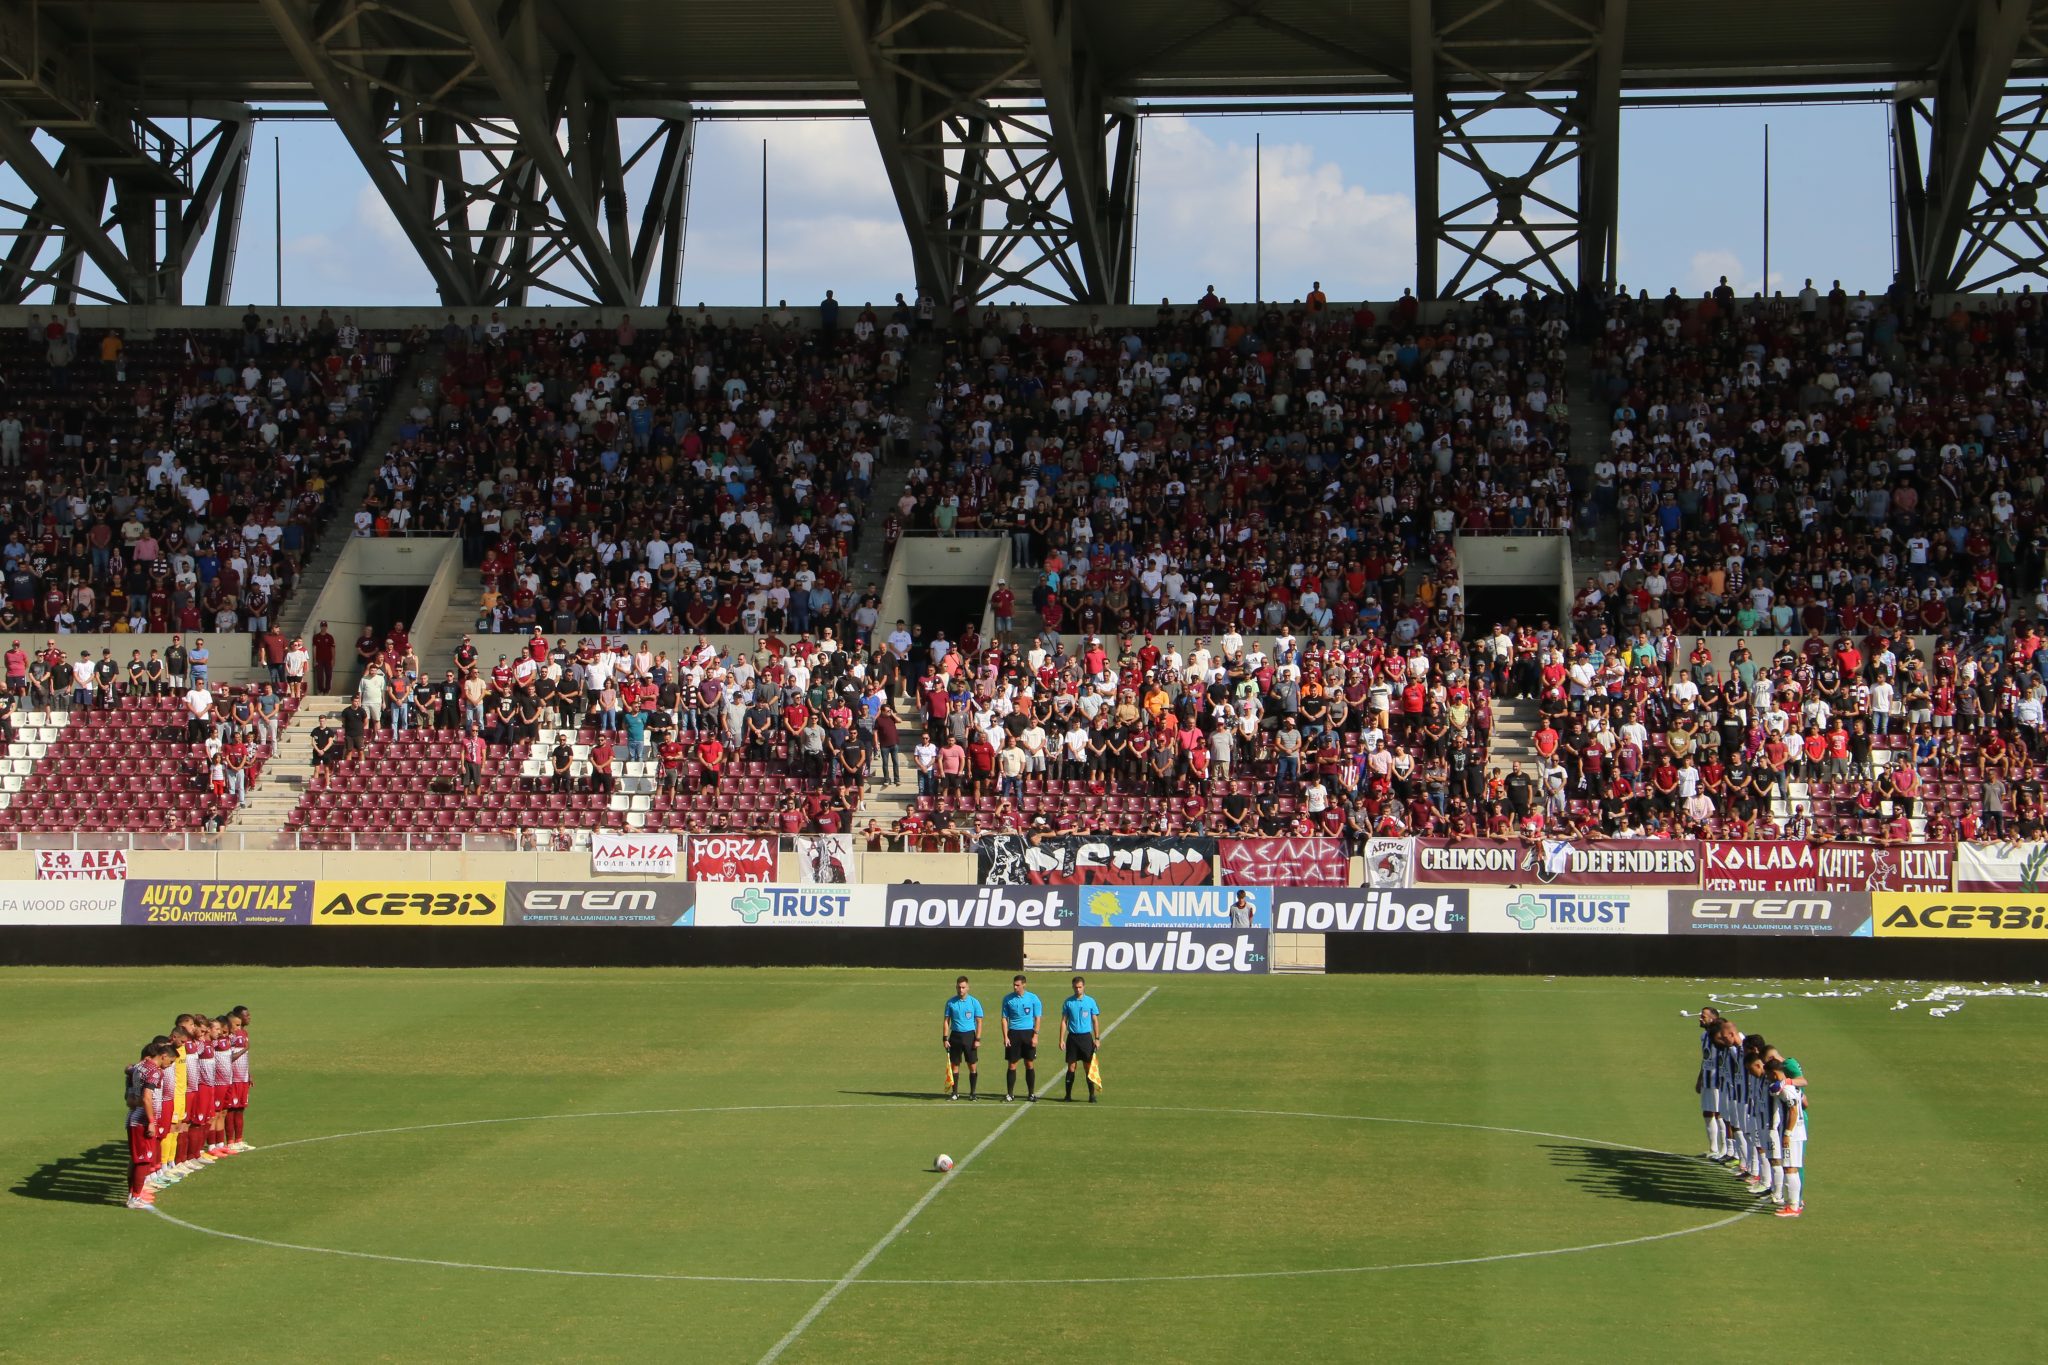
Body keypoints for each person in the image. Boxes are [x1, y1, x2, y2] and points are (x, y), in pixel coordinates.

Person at [124, 1039, 172, 1208]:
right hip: (142, 1120)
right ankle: (134, 1198)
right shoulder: (154, 1072)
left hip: (134, 1117)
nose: (168, 1065)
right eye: (170, 1061)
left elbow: (128, 1070)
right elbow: (146, 1097)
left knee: (136, 1160)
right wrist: (152, 1122)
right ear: (163, 1056)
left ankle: (133, 1194)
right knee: (143, 1161)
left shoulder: (141, 1066)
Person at [1769, 1057, 1806, 1218]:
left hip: (1792, 1133)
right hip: (1796, 1132)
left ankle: (1793, 1206)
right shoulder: (1789, 1086)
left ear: (1774, 1073)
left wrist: (1787, 1134)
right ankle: (1793, 1204)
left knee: (1790, 1169)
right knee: (1792, 1168)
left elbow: (1793, 1111)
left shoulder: (1786, 1090)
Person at [1000, 973, 1043, 1102]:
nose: (1015, 987)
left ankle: (1031, 1094)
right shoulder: (1008, 999)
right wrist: (1005, 1036)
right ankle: (1010, 1094)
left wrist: (1035, 1035)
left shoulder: (1033, 998)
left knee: (1029, 1063)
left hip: (1028, 1033)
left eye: (1017, 985)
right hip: (1014, 1034)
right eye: (1014, 985)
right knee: (1012, 1064)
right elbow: (1004, 1019)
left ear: (1024, 984)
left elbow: (1037, 1018)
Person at [1059, 975, 1102, 1102]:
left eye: (1080, 987)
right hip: (1072, 1038)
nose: (1078, 990)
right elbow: (1063, 1021)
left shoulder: (1090, 1002)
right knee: (1071, 1067)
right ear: (1072, 987)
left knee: (1088, 1067)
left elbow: (1095, 1021)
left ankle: (1092, 1095)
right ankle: (1068, 1095)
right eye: (1075, 987)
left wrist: (1097, 1038)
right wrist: (1061, 1039)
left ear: (1084, 987)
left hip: (1086, 1038)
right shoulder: (1068, 1002)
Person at [942, 975, 984, 1100]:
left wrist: (977, 1039)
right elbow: (946, 1021)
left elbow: (979, 1021)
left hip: (969, 1036)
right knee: (955, 1065)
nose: (961, 990)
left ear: (968, 988)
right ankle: (955, 1093)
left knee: (972, 1065)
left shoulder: (974, 1002)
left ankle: (973, 1093)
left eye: (963, 987)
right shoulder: (951, 1002)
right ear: (956, 987)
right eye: (959, 987)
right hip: (955, 1036)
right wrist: (945, 1038)